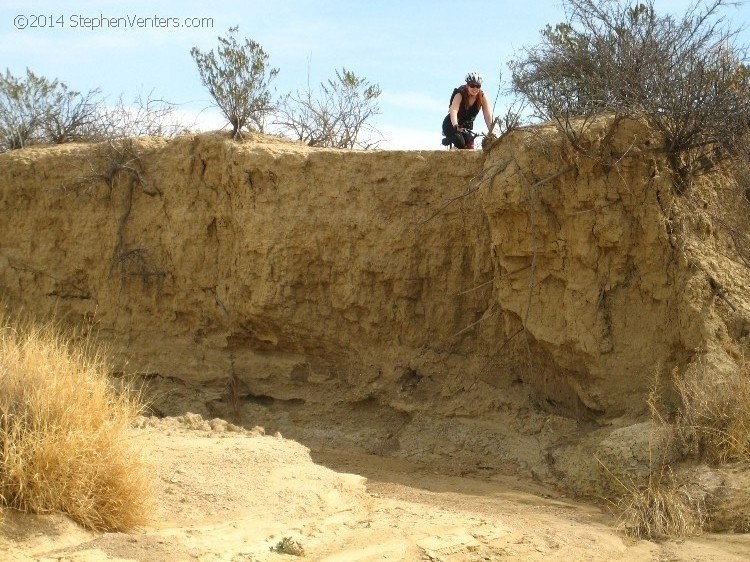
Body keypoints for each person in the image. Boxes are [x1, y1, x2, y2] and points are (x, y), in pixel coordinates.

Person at [442, 72, 494, 149]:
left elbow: (487, 115)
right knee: (460, 143)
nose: (475, 89)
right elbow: (454, 110)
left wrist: (491, 131)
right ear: (467, 85)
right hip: (451, 124)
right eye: (472, 85)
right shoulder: (460, 94)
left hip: (465, 127)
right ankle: (449, 139)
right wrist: (455, 125)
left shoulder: (482, 97)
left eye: (478, 86)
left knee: (470, 144)